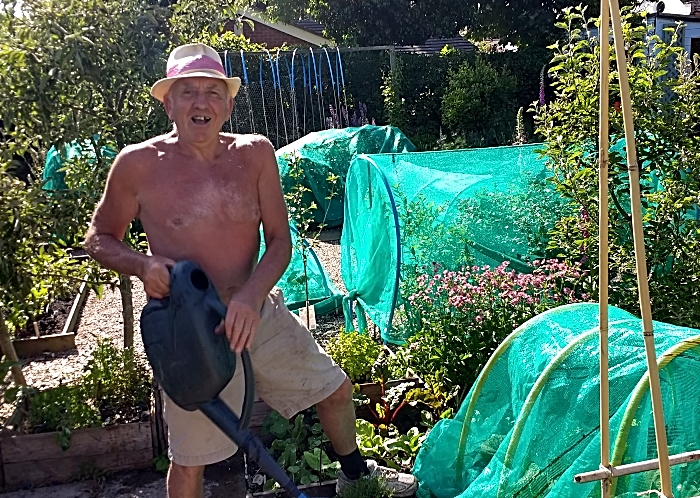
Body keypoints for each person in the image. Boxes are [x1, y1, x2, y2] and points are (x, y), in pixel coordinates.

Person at [84, 43, 417, 498]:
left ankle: (357, 478)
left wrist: (250, 297)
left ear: (229, 103)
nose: (201, 103)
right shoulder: (138, 165)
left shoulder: (255, 154)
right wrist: (141, 265)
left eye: (212, 92)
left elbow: (280, 241)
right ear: (168, 102)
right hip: (191, 334)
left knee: (336, 391)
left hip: (255, 310)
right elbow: (99, 238)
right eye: (187, 92)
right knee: (189, 462)